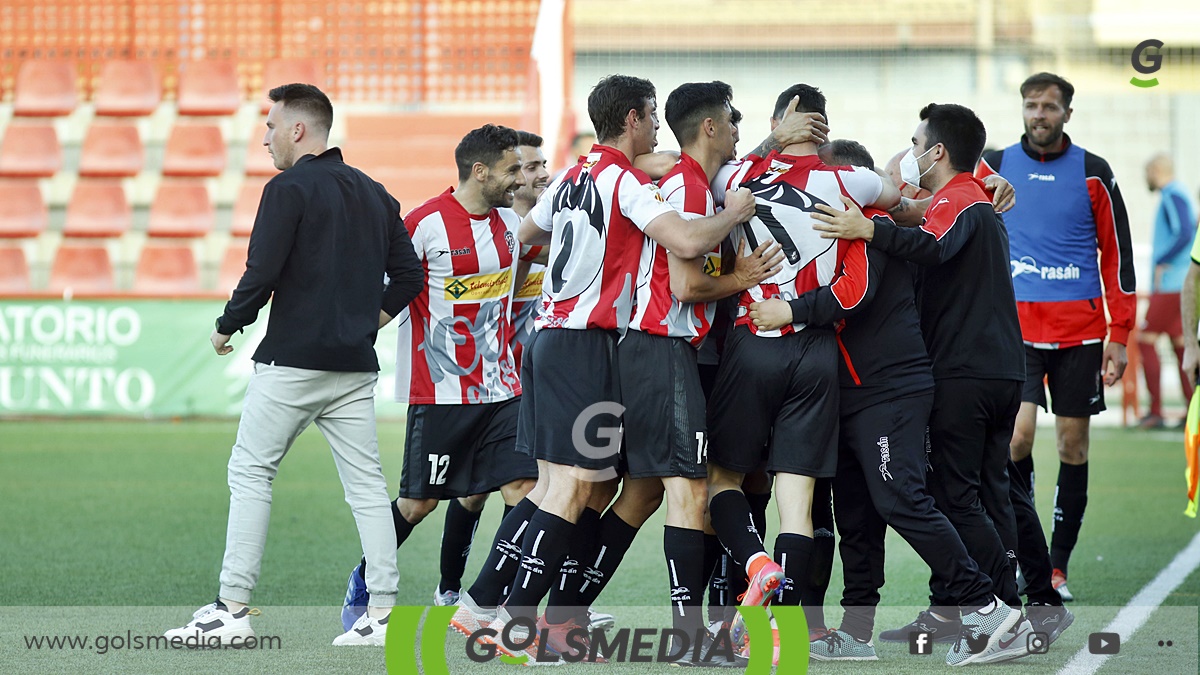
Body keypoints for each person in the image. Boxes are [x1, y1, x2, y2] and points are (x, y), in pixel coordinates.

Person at [474, 74, 757, 662]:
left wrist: (579, 261)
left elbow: (526, 235)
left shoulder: (576, 173)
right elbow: (682, 237)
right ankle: (515, 621)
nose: (656, 125)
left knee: (561, 484)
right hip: (586, 344)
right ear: (631, 119)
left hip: (547, 337)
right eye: (651, 115)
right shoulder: (623, 181)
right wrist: (732, 215)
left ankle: (500, 611)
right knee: (575, 486)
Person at [165, 83, 423, 647]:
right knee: (365, 488)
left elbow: (262, 271)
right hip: (354, 368)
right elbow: (409, 277)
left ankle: (231, 608)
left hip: (291, 364)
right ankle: (382, 615)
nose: (265, 138)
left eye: (270, 126)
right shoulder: (375, 192)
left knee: (252, 472)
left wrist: (228, 324)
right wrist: (363, 325)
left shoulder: (288, 188)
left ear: (298, 130)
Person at [546, 81, 783, 665]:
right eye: (731, 120)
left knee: (635, 492)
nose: (737, 129)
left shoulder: (671, 173)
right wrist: (743, 277)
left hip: (638, 349)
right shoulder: (691, 186)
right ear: (707, 127)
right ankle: (688, 634)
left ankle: (563, 612)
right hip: (661, 348)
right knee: (686, 489)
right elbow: (684, 284)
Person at [813, 102, 1027, 666]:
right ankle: (861, 632)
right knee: (869, 512)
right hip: (877, 390)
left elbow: (866, 284)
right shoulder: (927, 212)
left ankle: (997, 610)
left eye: (917, 144)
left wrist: (784, 306)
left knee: (927, 499)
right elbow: (922, 209)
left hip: (915, 386)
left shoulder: (898, 225)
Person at [701, 83, 902, 664]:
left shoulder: (734, 176)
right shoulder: (851, 183)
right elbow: (908, 202)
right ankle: (788, 632)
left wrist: (770, 142)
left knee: (724, 480)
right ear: (823, 129)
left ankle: (756, 568)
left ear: (775, 123)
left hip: (753, 338)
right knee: (799, 503)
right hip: (816, 350)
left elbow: (696, 167)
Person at [338, 125, 540, 630]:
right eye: (512, 170)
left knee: (526, 488)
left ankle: (491, 602)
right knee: (418, 503)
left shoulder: (510, 228)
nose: (519, 179)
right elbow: (385, 294)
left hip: (503, 388)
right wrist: (351, 337)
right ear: (480, 171)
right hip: (441, 392)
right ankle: (366, 575)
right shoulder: (424, 224)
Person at [976, 72, 1135, 601]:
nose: (1039, 115)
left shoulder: (1094, 172)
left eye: (1049, 107)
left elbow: (1118, 257)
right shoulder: (994, 166)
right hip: (1014, 331)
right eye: (1030, 106)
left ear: (1068, 113)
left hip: (1081, 332)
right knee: (1016, 438)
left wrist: (1121, 333)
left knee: (1072, 443)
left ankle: (1059, 566)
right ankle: (1028, 554)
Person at [425, 130, 550, 613]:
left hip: (524, 380)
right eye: (527, 167)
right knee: (467, 495)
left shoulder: (537, 228)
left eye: (538, 166)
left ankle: (498, 600)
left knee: (527, 488)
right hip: (477, 380)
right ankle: (451, 590)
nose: (539, 174)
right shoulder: (495, 233)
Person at [1138, 153, 1197, 428]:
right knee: (1180, 345)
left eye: (1147, 172)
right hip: (1179, 284)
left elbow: (1186, 230)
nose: (1146, 177)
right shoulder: (1178, 194)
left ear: (1156, 170)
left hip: (1172, 284)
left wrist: (1163, 260)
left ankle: (1156, 411)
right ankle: (1192, 409)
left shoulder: (1172, 194)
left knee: (1144, 339)